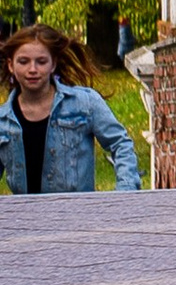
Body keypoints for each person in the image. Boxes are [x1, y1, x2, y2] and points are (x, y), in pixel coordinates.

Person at [3, 28, 142, 194]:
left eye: (41, 61)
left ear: (53, 63)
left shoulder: (84, 103)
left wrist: (125, 192)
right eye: (23, 62)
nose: (32, 69)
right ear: (11, 65)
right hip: (24, 217)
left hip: (78, 215)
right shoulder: (3, 121)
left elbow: (120, 144)